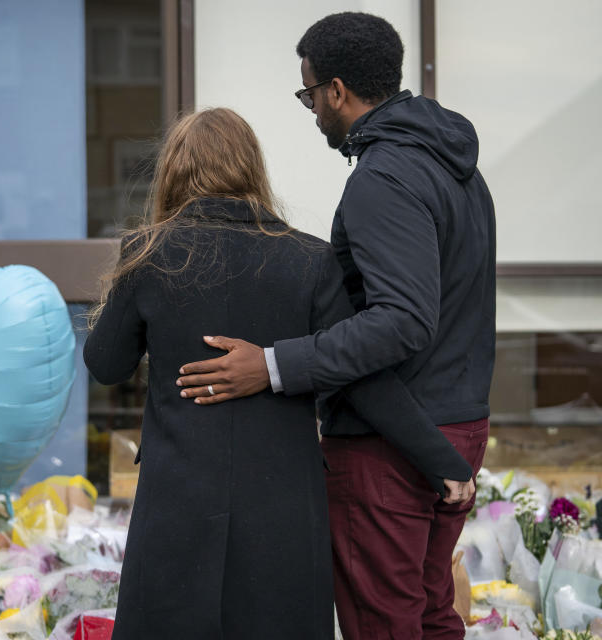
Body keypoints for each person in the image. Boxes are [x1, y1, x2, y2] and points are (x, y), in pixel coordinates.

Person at [83, 107, 473, 639]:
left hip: (178, 504)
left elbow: (105, 366)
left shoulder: (148, 254)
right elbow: (359, 378)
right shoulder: (309, 259)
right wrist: (440, 460)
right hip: (283, 511)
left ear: (172, 171)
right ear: (252, 168)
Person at [174, 12, 496, 640]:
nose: (312, 109)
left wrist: (271, 365)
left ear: (338, 91)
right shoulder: (457, 167)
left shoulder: (384, 178)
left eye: (309, 93)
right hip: (457, 426)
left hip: (391, 445)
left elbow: (402, 321)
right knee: (433, 617)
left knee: (386, 624)